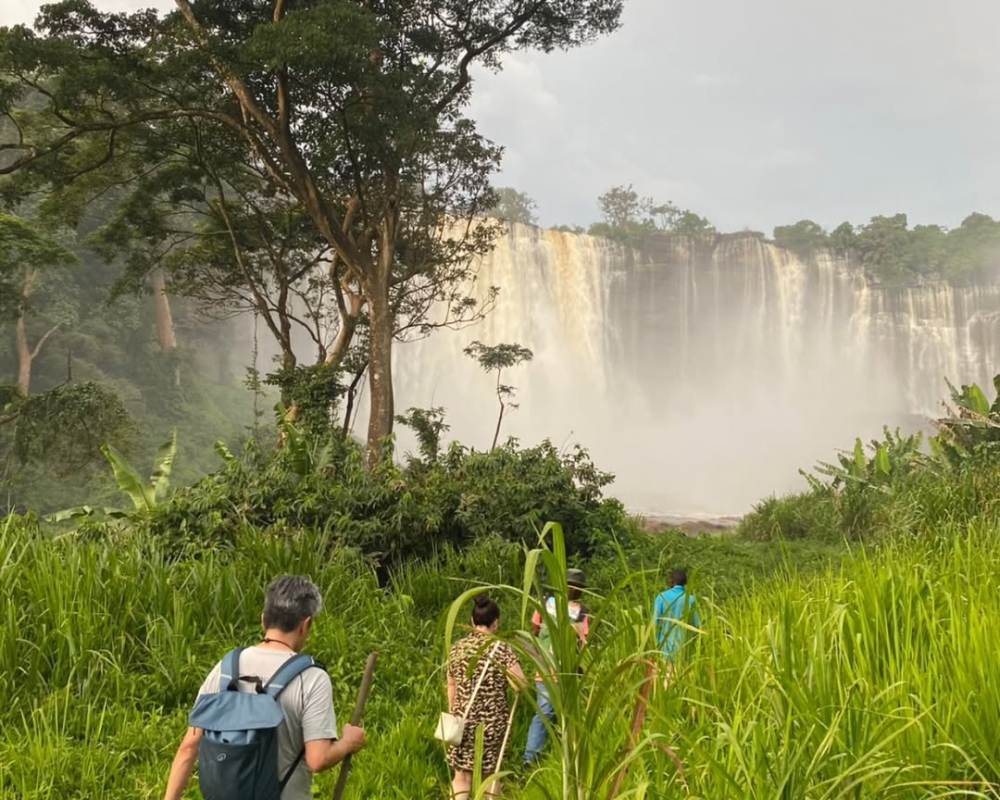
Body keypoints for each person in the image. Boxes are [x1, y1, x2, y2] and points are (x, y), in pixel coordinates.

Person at [163, 575, 366, 800]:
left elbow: (189, 746)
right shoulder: (311, 678)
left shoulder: (227, 667)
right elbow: (318, 759)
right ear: (306, 625)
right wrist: (348, 742)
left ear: (263, 620)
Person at [447, 594, 525, 799]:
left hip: (461, 721)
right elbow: (519, 685)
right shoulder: (502, 650)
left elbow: (451, 684)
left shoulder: (458, 649)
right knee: (490, 774)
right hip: (492, 724)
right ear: (496, 623)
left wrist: (454, 711)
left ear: (472, 622)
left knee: (462, 775)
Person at [523, 568, 589, 766]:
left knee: (543, 714)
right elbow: (583, 644)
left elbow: (533, 631)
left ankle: (532, 758)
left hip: (543, 668)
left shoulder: (545, 603)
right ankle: (541, 757)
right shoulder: (582, 612)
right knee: (565, 716)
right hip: (567, 671)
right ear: (580, 590)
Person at [654, 568, 699, 681]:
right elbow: (696, 625)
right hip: (684, 648)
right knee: (680, 680)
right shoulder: (691, 599)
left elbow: (654, 623)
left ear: (671, 581)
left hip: (664, 647)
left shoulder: (661, 597)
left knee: (665, 680)